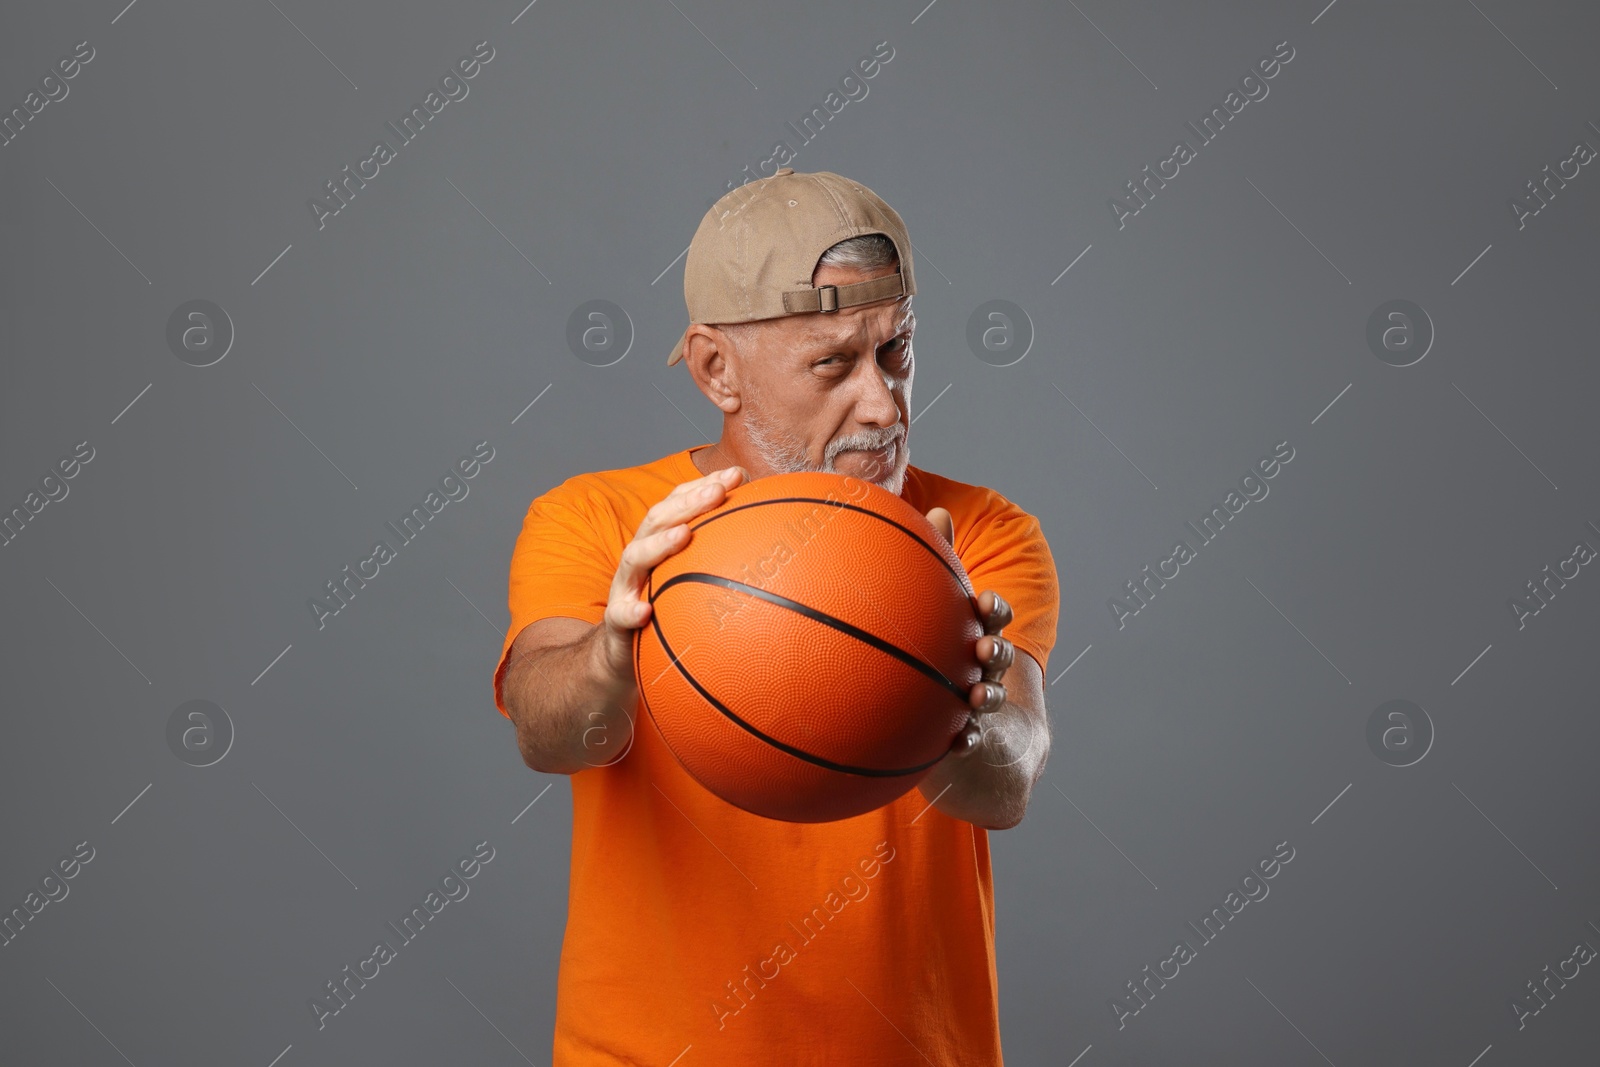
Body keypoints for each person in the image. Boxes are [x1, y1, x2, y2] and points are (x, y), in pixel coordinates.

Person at [494, 168, 1060, 1065]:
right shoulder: (601, 521)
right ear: (718, 368)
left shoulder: (977, 533)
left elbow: (1006, 780)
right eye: (833, 362)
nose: (882, 402)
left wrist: (946, 676)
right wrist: (614, 649)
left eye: (897, 352)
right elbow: (548, 730)